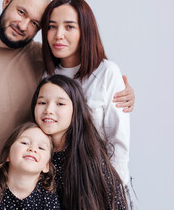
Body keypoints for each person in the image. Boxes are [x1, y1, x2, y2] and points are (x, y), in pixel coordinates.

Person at [0, 0, 135, 210]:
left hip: (52, 189)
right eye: (21, 12)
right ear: (6, 2)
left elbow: (116, 140)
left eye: (35, 24)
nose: (23, 26)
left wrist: (122, 90)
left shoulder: (48, 62)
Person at [40, 0, 134, 201]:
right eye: (52, 26)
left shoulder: (107, 72)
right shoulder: (47, 75)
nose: (58, 35)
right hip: (53, 185)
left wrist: (115, 195)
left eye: (69, 27)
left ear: (85, 31)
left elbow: (118, 142)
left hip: (94, 186)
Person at [31, 75, 127, 210]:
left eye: (60, 104)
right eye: (42, 103)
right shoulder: (30, 152)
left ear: (75, 110)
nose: (48, 110)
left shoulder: (91, 161)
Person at [0, 122, 60, 210]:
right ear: (7, 155)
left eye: (41, 148)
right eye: (25, 143)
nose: (33, 149)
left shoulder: (49, 199)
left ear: (46, 166)